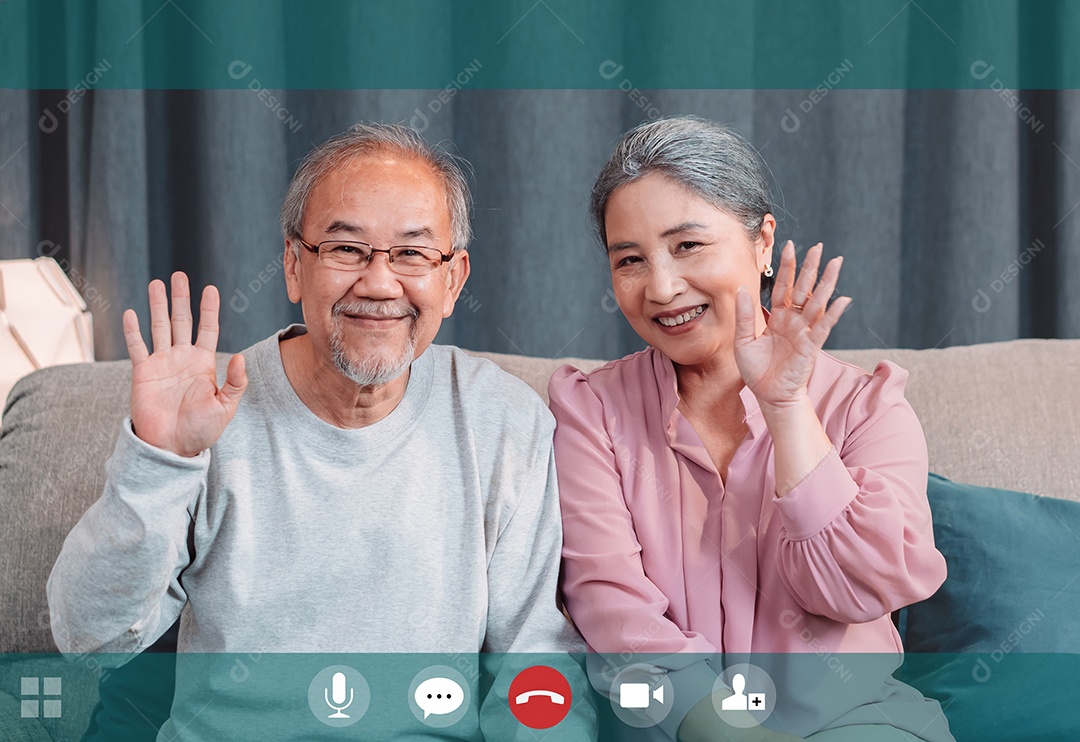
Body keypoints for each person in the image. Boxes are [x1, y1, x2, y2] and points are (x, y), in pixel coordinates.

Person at [47, 123, 594, 740]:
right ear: (293, 266)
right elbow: (88, 640)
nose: (380, 283)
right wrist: (158, 462)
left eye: (412, 253)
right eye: (346, 249)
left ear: (453, 280)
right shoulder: (210, 411)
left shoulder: (504, 421)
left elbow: (538, 666)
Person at [549, 116, 952, 741]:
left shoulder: (868, 407)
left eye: (688, 246)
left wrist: (787, 408)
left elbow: (860, 591)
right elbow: (614, 613)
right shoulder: (592, 411)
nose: (660, 287)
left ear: (762, 243)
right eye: (630, 260)